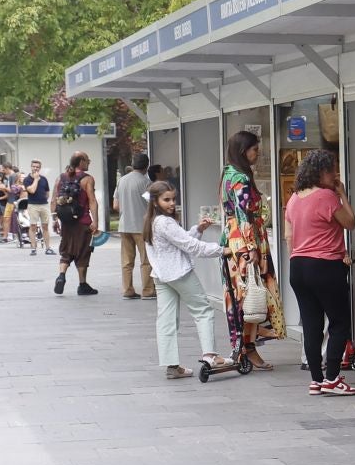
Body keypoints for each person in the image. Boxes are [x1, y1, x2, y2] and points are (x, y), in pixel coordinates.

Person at [285, 149, 355, 396]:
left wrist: (299, 256)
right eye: (332, 171)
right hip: (325, 265)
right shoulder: (327, 196)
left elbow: (288, 237)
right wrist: (342, 195)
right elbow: (350, 222)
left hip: (298, 266)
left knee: (311, 324)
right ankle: (333, 378)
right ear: (319, 172)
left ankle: (316, 380)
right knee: (339, 322)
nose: (335, 175)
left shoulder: (294, 198)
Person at [144, 181, 234, 379]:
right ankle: (211, 356)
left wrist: (198, 229)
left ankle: (172, 366)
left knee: (166, 320)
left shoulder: (151, 221)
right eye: (166, 199)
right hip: (179, 274)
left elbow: (180, 241)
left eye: (173, 199)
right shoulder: (165, 222)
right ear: (155, 201)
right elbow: (191, 246)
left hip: (161, 276)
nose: (171, 203)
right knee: (203, 311)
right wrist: (221, 250)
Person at [220, 130, 285, 368]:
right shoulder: (240, 177)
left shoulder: (228, 173)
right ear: (243, 151)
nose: (258, 153)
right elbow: (242, 213)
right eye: (255, 149)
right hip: (245, 241)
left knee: (242, 294)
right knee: (250, 292)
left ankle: (243, 346)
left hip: (233, 239)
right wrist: (252, 248)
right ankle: (248, 348)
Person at [51, 153, 100, 296]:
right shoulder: (87, 179)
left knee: (66, 251)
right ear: (81, 162)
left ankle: (61, 275)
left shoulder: (61, 178)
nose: (89, 162)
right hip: (83, 222)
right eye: (87, 160)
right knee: (83, 252)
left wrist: (55, 219)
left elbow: (54, 200)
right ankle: (82, 285)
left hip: (66, 222)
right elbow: (92, 201)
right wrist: (95, 221)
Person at [113, 153, 156, 299]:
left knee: (126, 261)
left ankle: (127, 289)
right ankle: (148, 290)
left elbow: (115, 205)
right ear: (147, 166)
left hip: (124, 225)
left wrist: (127, 210)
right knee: (146, 260)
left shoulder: (122, 180)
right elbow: (152, 205)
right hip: (141, 226)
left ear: (132, 164)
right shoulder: (146, 183)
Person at [21, 160, 52, 255]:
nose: (35, 168)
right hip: (33, 205)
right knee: (33, 226)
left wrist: (44, 200)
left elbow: (47, 193)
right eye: (34, 166)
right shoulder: (27, 179)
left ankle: (48, 248)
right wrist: (36, 179)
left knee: (45, 226)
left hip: (44, 205)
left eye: (37, 167)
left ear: (40, 168)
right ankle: (33, 248)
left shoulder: (44, 179)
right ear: (31, 167)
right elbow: (32, 190)